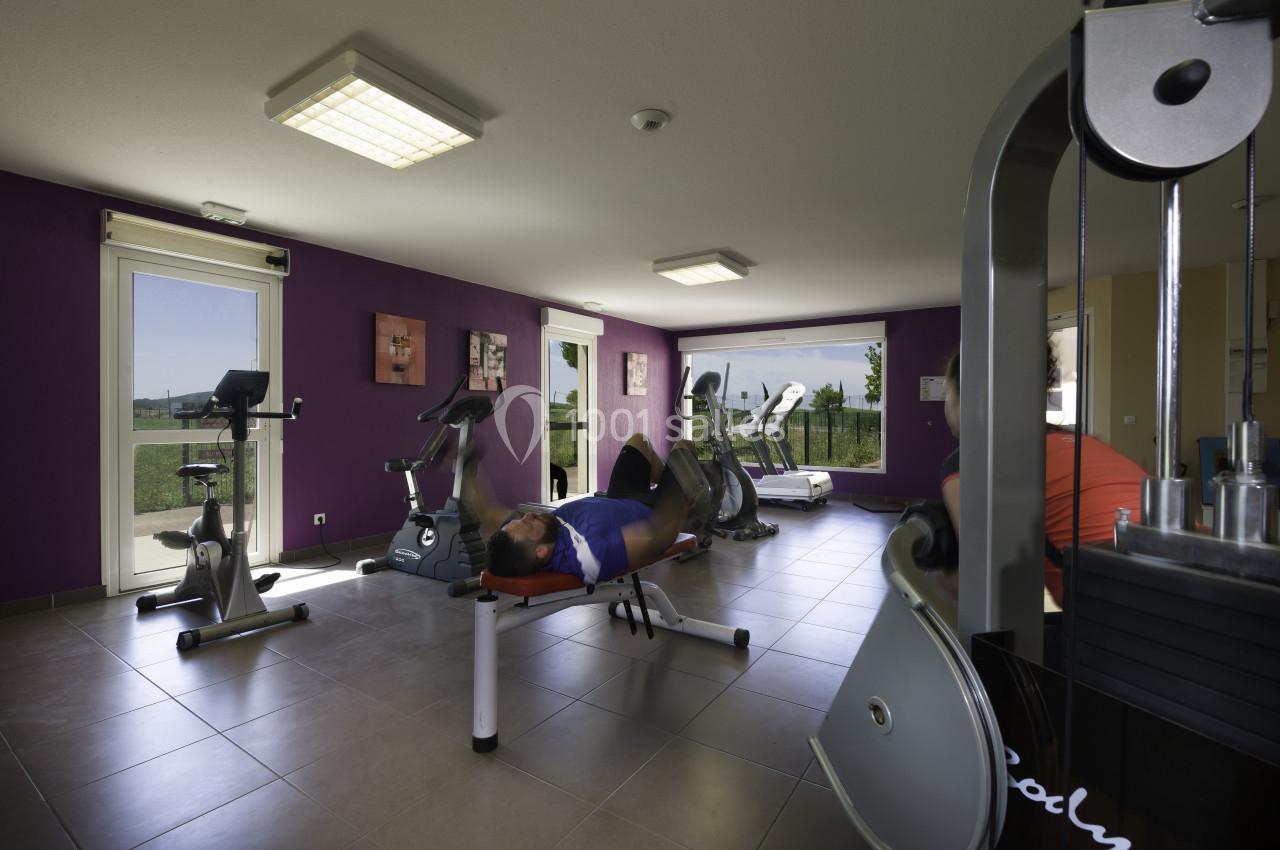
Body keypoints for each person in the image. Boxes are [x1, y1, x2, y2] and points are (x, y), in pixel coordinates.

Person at [940, 352, 1145, 606]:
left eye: (946, 392)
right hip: (1197, 590)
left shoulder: (972, 461)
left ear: (965, 396)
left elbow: (989, 581)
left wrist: (941, 576)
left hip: (1126, 617)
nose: (945, 403)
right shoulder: (1085, 443)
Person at [464, 433, 707, 583]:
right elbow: (656, 537)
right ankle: (691, 496)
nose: (528, 516)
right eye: (529, 524)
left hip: (617, 499)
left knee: (639, 441)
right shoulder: (591, 554)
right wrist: (679, 508)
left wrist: (465, 464)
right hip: (653, 513)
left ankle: (672, 481)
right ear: (541, 552)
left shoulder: (519, 538)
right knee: (683, 449)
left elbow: (487, 512)